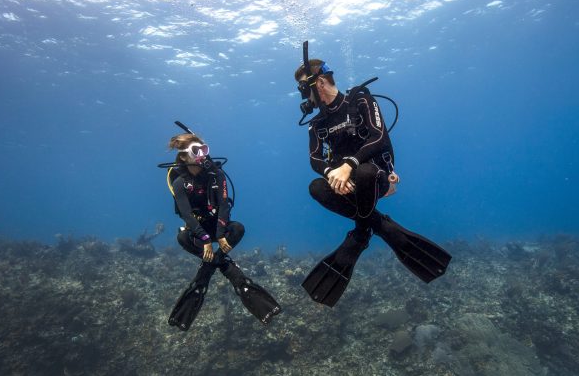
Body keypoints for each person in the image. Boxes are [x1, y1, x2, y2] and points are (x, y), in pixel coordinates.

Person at [295, 43, 452, 307]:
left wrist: (349, 165)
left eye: (302, 86)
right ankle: (378, 226)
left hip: (375, 177)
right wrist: (332, 173)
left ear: (319, 82)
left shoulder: (361, 100)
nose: (302, 94)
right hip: (345, 186)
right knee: (316, 187)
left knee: (365, 172)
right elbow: (314, 160)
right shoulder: (317, 124)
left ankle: (359, 235)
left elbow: (379, 137)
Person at [164, 131, 281, 330]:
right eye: (195, 151)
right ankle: (227, 267)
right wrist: (205, 238)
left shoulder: (216, 174)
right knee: (182, 237)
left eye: (204, 149)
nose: (201, 154)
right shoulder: (179, 183)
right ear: (183, 156)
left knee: (238, 228)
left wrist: (219, 233)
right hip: (198, 230)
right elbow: (187, 215)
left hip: (219, 226)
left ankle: (207, 270)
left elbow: (224, 205)